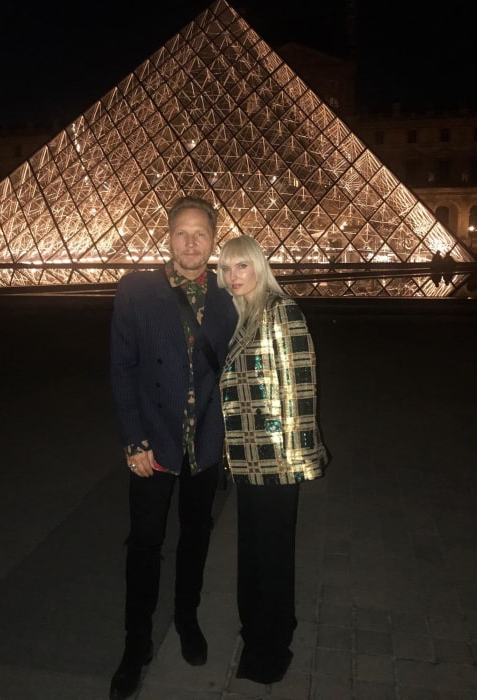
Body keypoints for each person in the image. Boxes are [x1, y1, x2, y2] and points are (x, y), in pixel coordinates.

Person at [109, 195, 237, 700]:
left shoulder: (231, 292)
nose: (190, 242)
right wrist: (133, 440)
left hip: (203, 440)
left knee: (196, 534)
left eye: (200, 234)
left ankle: (186, 618)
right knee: (144, 544)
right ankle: (135, 643)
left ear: (213, 239)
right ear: (167, 237)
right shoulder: (137, 290)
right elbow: (122, 368)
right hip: (154, 442)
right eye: (181, 232)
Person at [216, 235, 329, 685]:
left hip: (278, 464)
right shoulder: (245, 316)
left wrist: (297, 462)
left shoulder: (282, 312)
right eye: (226, 269)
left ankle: (272, 647)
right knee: (254, 554)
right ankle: (257, 631)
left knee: (273, 556)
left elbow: (303, 388)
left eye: (242, 266)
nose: (233, 276)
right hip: (247, 462)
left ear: (260, 267)